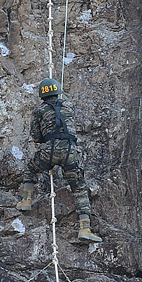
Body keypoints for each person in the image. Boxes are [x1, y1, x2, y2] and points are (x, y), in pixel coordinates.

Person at [18, 77, 101, 243]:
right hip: (70, 151)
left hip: (50, 150)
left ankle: (26, 200)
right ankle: (85, 227)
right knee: (79, 188)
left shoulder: (38, 111)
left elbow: (36, 136)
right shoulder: (69, 106)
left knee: (31, 169)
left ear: (42, 94)